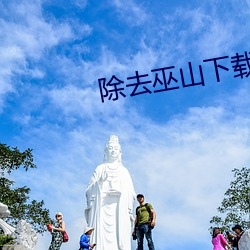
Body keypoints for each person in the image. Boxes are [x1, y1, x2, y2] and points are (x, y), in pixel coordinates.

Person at [85, 135, 136, 250]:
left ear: (120, 152)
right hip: (101, 208)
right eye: (111, 148)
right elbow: (88, 190)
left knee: (119, 237)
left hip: (119, 209)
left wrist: (122, 192)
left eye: (115, 149)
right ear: (106, 151)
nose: (113, 151)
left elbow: (131, 193)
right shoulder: (100, 169)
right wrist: (100, 181)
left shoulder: (124, 171)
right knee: (100, 237)